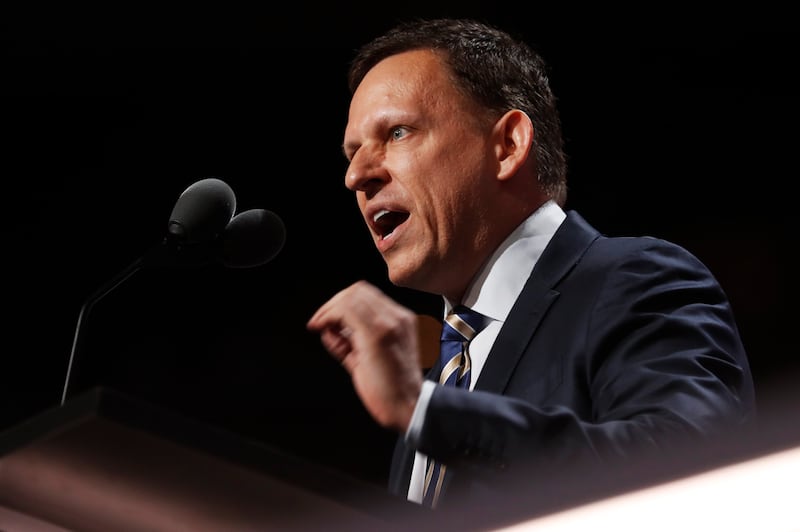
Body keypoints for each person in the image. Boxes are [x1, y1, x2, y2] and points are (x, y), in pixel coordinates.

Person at [306, 17, 756, 516]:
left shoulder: (634, 279)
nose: (356, 175)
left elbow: (684, 471)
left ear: (508, 145)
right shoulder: (443, 375)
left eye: (397, 132)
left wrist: (424, 411)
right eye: (351, 153)